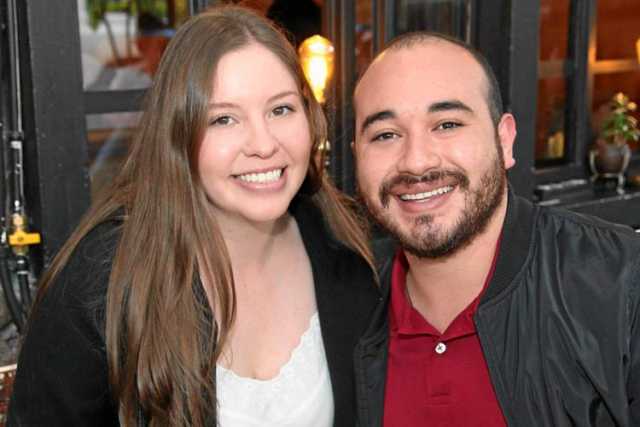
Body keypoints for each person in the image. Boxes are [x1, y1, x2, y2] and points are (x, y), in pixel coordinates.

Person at [8, 6, 379, 427]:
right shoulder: (105, 280)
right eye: (223, 119)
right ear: (178, 136)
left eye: (280, 110)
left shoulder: (346, 252)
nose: (263, 143)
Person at [351, 32, 640, 426]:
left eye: (447, 124)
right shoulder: (347, 307)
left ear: (504, 140)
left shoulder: (624, 286)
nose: (416, 162)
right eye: (385, 135)